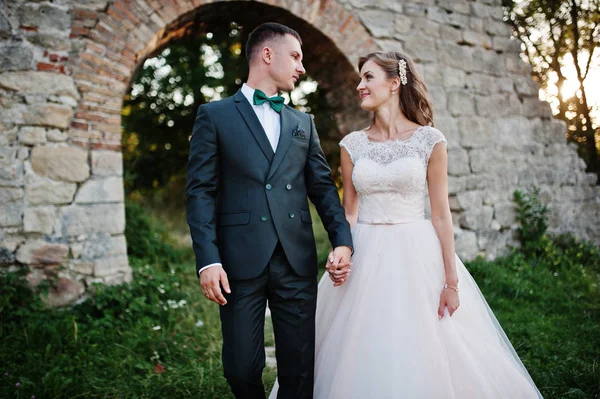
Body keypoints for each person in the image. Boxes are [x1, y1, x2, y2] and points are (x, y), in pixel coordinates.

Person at [270, 51, 542, 398]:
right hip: (365, 251)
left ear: (394, 83)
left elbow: (441, 214)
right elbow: (349, 212)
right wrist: (343, 251)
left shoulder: (430, 140)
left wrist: (451, 282)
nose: (359, 85)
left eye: (368, 77)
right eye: (360, 78)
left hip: (416, 252)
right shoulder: (351, 144)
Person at [186, 22, 353, 399]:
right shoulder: (214, 115)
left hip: (296, 258)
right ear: (267, 55)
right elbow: (200, 192)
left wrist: (343, 239)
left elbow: (323, 188)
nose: (301, 67)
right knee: (240, 368)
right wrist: (207, 260)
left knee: (299, 368)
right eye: (295, 56)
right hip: (238, 261)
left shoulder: (302, 123)